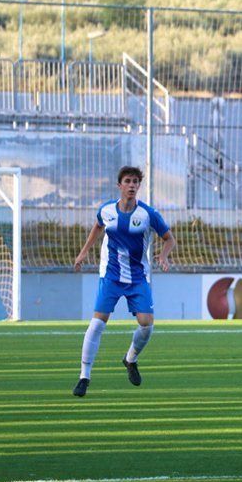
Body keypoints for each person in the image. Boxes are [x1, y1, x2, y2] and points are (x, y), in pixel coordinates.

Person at [72, 166, 176, 397]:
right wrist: (83, 253)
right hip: (110, 275)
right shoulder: (107, 210)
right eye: (127, 181)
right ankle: (84, 377)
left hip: (138, 277)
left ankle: (130, 359)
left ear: (139, 186)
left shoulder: (148, 214)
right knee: (98, 323)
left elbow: (169, 239)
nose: (131, 185)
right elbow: (98, 227)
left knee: (146, 323)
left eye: (135, 182)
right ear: (119, 185)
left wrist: (163, 255)